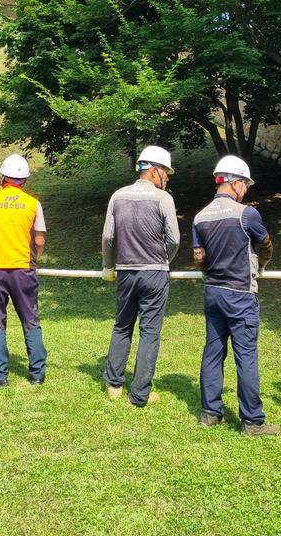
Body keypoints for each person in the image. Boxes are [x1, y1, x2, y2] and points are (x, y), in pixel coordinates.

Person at [193, 155, 278, 437]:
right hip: (240, 294)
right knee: (246, 356)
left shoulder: (200, 216)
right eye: (246, 184)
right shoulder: (247, 214)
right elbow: (265, 246)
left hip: (212, 292)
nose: (246, 190)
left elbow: (199, 257)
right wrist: (261, 266)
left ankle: (210, 413)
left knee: (213, 352)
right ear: (237, 182)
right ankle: (253, 421)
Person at [102, 145, 179, 406]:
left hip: (125, 271)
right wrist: (164, 259)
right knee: (150, 332)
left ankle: (113, 385)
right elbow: (174, 239)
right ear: (155, 171)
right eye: (166, 173)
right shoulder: (163, 199)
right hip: (155, 273)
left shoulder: (117, 196)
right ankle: (140, 394)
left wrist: (108, 266)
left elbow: (108, 237)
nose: (167, 179)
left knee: (122, 326)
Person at [0, 154, 48, 387]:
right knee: (30, 320)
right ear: (25, 180)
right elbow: (39, 240)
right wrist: (34, 261)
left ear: (3, 177)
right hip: (23, 270)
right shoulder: (33, 204)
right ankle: (37, 374)